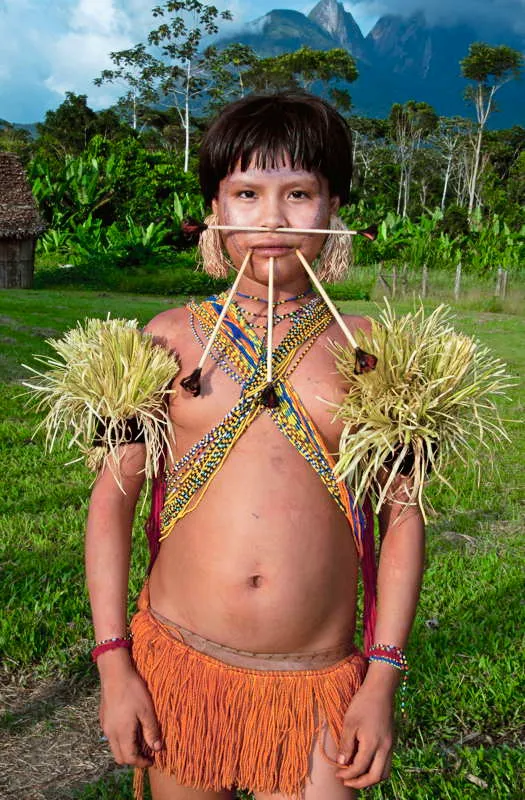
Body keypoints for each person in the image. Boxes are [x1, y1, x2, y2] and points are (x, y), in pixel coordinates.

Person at [86, 93, 425, 800]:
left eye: (298, 193)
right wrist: (116, 665)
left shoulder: (376, 351)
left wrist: (382, 676)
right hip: (180, 664)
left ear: (334, 208)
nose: (270, 217)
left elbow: (403, 516)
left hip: (315, 681)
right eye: (246, 193)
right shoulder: (164, 340)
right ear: (215, 207)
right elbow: (111, 504)